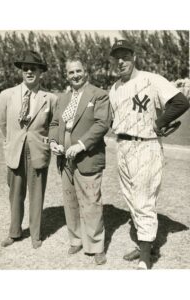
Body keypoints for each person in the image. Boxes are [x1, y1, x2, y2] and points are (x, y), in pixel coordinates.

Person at [109, 39, 189, 269]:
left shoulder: (151, 79)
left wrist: (160, 121)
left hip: (145, 146)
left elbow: (181, 102)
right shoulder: (114, 88)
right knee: (131, 199)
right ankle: (145, 244)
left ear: (134, 57)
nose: (121, 61)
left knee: (144, 200)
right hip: (122, 146)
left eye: (125, 55)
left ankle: (145, 258)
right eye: (117, 57)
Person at [49, 56, 111, 265]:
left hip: (88, 156)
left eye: (78, 71)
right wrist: (53, 142)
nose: (74, 75)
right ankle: (75, 239)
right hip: (64, 159)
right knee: (70, 200)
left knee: (91, 202)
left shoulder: (99, 95)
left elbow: (102, 124)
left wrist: (81, 145)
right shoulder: (63, 98)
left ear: (86, 72)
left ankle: (96, 246)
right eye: (70, 72)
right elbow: (55, 123)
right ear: (66, 75)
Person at [0, 50, 57, 249]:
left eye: (33, 68)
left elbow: (53, 126)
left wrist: (45, 143)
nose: (29, 71)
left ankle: (35, 234)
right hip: (16, 150)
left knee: (37, 194)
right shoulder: (7, 95)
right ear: (21, 72)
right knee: (15, 194)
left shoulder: (50, 98)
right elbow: (2, 123)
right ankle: (14, 232)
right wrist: (13, 141)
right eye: (25, 69)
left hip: (38, 150)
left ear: (41, 72)